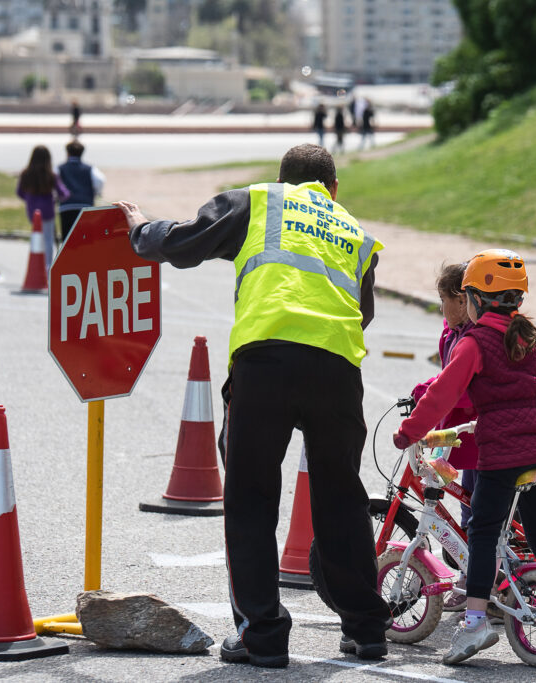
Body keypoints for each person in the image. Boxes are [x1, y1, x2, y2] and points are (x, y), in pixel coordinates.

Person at [115, 144, 391, 669]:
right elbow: (363, 312)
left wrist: (140, 228)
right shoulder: (354, 232)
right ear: (333, 190)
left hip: (266, 363)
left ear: (284, 180)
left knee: (251, 498)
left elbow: (184, 242)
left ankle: (262, 635)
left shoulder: (259, 203)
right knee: (342, 501)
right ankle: (366, 629)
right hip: (337, 369)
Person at [393, 249, 536, 665]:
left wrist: (409, 432)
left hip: (503, 452)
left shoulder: (474, 343)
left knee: (483, 533)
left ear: (475, 298)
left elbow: (443, 394)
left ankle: (474, 625)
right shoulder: (527, 336)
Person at [409, 261, 477, 613]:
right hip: (460, 437)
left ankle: (477, 584)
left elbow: (462, 390)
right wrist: (426, 390)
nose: (440, 307)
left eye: (443, 298)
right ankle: (473, 577)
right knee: (468, 503)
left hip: (479, 436)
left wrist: (429, 391)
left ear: (463, 300)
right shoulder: (449, 333)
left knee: (477, 514)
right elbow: (446, 378)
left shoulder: (474, 340)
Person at [16, 145, 68, 270]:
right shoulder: (51, 175)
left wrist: (29, 198)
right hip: (48, 211)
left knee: (36, 236)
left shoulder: (26, 173)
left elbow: (20, 192)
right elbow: (63, 193)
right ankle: (48, 267)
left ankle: (36, 264)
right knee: (48, 239)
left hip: (32, 211)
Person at [57, 140, 105, 243]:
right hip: (85, 207)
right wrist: (96, 193)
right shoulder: (89, 169)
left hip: (66, 207)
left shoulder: (60, 168)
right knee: (85, 239)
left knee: (67, 241)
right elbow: (100, 180)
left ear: (67, 153)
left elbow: (54, 183)